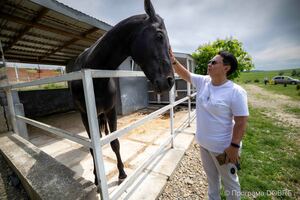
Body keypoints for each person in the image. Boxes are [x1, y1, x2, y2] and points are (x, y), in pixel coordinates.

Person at [170, 49, 249, 200]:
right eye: (209, 62)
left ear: (226, 68)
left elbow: (241, 122)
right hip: (204, 145)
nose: (209, 64)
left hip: (223, 149)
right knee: (212, 181)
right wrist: (173, 60)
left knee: (230, 184)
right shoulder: (204, 81)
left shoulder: (236, 92)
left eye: (214, 62)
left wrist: (234, 147)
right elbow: (185, 74)